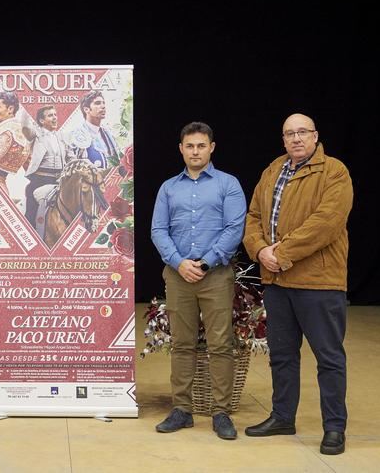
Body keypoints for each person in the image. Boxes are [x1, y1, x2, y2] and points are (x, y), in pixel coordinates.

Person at [242, 113, 353, 455]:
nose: (296, 139)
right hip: (276, 281)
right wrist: (260, 250)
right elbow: (254, 218)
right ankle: (282, 417)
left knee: (329, 357)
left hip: (318, 282)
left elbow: (326, 223)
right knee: (282, 355)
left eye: (302, 132)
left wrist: (281, 253)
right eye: (289, 133)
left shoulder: (334, 171)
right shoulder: (273, 169)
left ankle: (334, 427)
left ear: (316, 135)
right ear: (283, 139)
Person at [151, 122, 246, 440]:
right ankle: (182, 410)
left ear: (211, 147)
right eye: (189, 146)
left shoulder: (228, 185)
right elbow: (158, 231)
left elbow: (234, 228)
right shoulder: (168, 188)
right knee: (181, 345)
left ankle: (220, 412)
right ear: (181, 149)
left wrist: (205, 263)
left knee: (220, 345)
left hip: (215, 276)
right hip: (178, 277)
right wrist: (179, 263)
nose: (195, 151)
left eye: (201, 146)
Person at [22, 105, 75, 230]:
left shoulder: (62, 136)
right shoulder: (36, 135)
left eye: (55, 115)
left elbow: (71, 158)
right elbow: (25, 127)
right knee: (31, 216)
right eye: (50, 115)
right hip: (39, 181)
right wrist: (25, 106)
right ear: (41, 120)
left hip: (61, 181)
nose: (55, 118)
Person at [69, 90, 119, 169]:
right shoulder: (77, 134)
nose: (103, 106)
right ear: (86, 109)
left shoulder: (108, 134)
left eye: (103, 103)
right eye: (97, 103)